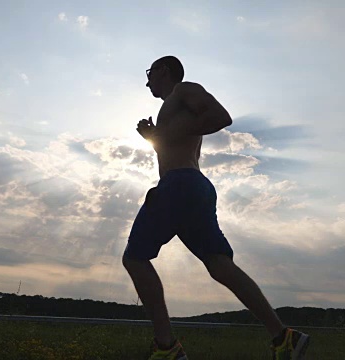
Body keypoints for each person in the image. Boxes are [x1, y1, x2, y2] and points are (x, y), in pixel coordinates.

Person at [122, 55, 310, 360]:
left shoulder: (183, 90)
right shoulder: (173, 106)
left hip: (179, 185)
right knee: (219, 265)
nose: (147, 81)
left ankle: (167, 347)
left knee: (134, 258)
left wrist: (165, 135)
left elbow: (221, 117)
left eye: (150, 73)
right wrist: (153, 137)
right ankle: (282, 337)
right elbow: (176, 141)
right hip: (192, 187)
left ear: (164, 71)